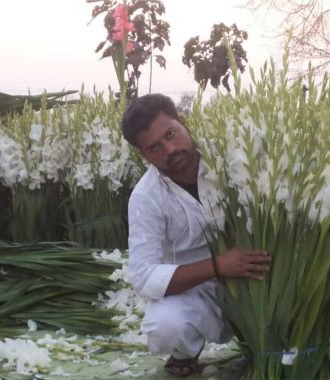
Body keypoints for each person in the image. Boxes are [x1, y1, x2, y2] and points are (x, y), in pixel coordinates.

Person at [122, 94, 273, 377]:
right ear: (144, 154)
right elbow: (143, 276)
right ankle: (185, 350)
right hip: (199, 291)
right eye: (155, 146)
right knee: (164, 326)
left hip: (260, 275)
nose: (170, 149)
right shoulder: (145, 197)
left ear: (184, 122)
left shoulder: (231, 158)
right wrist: (217, 266)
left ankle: (273, 344)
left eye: (171, 134)